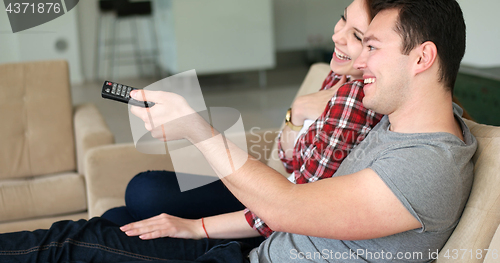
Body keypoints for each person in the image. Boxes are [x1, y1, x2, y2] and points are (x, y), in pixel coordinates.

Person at [0, 0, 477, 262]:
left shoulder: (426, 164)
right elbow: (291, 176)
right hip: (251, 250)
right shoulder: (407, 125)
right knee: (95, 231)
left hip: (252, 250)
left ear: (422, 58)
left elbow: (288, 203)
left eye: (370, 45)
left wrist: (194, 126)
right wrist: (192, 228)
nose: (358, 60)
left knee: (74, 245)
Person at [102, 0, 384, 241]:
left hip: (276, 219)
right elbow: (289, 162)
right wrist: (297, 111)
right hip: (275, 192)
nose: (337, 37)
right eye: (343, 19)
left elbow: (291, 208)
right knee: (120, 213)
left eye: (357, 36)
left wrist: (196, 228)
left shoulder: (353, 97)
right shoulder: (340, 75)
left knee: (143, 193)